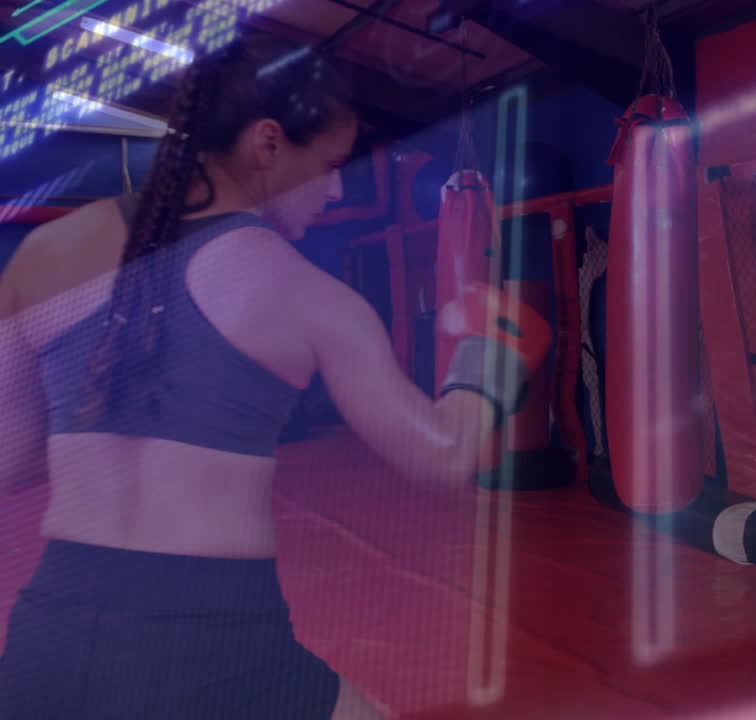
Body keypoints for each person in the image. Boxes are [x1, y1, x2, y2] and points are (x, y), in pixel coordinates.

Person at [0, 34, 549, 719]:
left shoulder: (42, 254)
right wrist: (489, 357)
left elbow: (10, 461)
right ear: (268, 145)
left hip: (45, 638)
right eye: (330, 164)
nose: (338, 187)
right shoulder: (303, 291)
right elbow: (443, 453)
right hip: (207, 648)